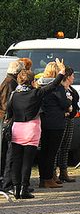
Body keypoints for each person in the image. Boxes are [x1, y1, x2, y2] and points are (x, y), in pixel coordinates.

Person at [6, 59, 65, 199]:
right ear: (32, 82)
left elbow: (9, 113)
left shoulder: (13, 95)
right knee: (27, 161)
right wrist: (61, 71)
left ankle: (16, 188)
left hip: (16, 129)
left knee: (16, 160)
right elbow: (53, 86)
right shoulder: (35, 93)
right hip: (31, 129)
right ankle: (24, 189)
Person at [37, 61, 72, 188]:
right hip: (56, 122)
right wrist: (69, 102)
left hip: (44, 121)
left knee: (44, 151)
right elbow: (63, 104)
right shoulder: (57, 87)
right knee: (51, 152)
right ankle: (48, 178)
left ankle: (43, 178)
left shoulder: (40, 84)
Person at [0, 60, 25, 193]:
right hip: (8, 123)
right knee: (9, 155)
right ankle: (7, 183)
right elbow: (5, 105)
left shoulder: (9, 82)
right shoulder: (9, 84)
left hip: (8, 122)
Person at [53, 67, 79, 183]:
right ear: (68, 76)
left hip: (70, 119)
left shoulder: (72, 90)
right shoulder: (60, 89)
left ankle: (64, 171)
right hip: (61, 119)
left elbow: (75, 103)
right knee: (57, 147)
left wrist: (72, 111)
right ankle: (53, 172)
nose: (73, 78)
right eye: (72, 75)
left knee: (66, 146)